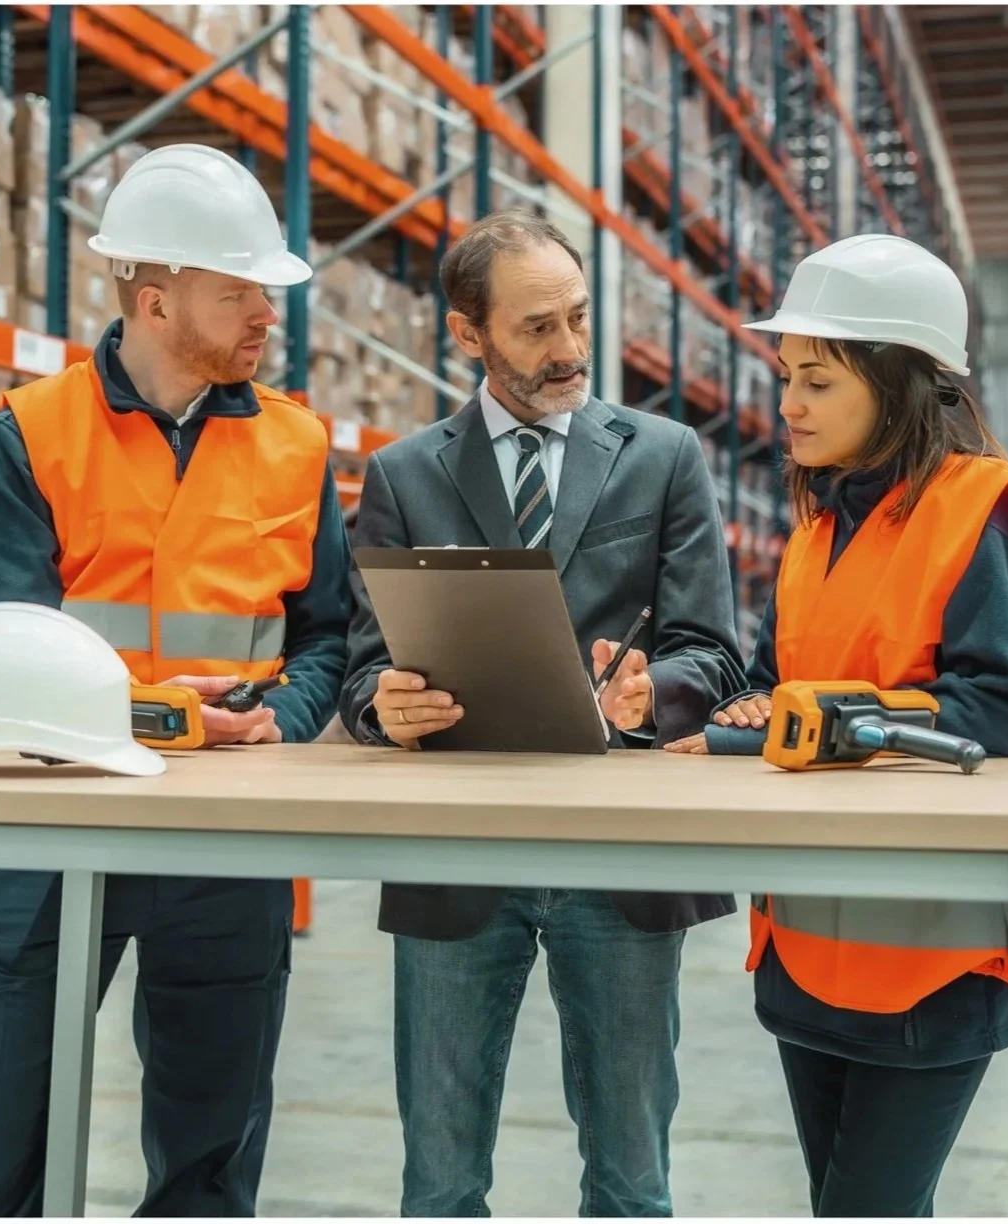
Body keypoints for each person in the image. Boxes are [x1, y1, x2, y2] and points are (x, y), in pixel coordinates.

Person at [0, 145, 352, 1216]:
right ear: (155, 303)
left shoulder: (298, 446)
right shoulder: (36, 431)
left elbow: (330, 638)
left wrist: (273, 723)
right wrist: (135, 713)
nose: (264, 314)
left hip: (230, 836)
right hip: (59, 820)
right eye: (237, 291)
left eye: (265, 291)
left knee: (208, 1160)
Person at [339, 210, 746, 1217]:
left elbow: (719, 652)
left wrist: (659, 693)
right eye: (534, 328)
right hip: (454, 851)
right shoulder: (403, 476)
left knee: (628, 1176)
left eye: (575, 318)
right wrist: (381, 706)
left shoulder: (661, 457)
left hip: (618, 854)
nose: (567, 349)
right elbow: (361, 667)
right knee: (437, 1181)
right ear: (468, 334)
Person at [666, 234, 1008, 1217]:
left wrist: (825, 720)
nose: (787, 405)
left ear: (892, 386)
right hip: (809, 941)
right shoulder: (814, 536)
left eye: (815, 380)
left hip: (932, 959)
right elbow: (777, 687)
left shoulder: (970, 512)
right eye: (784, 379)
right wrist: (724, 714)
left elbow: (1003, 715)